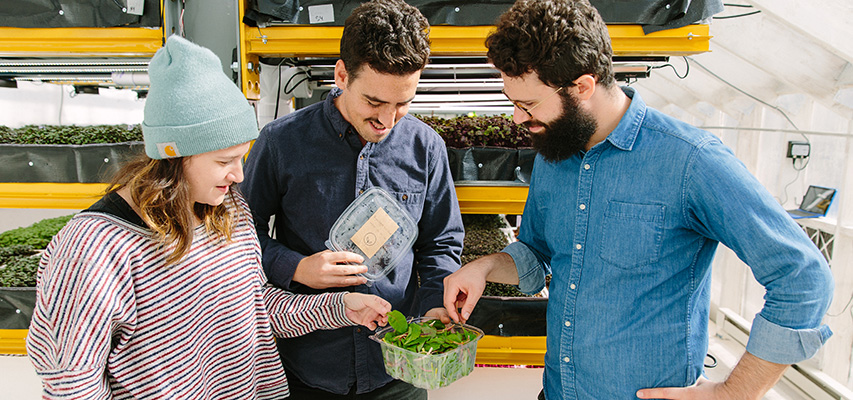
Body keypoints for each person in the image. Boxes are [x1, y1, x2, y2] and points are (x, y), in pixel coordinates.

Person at [442, 1, 835, 399]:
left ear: (582, 87)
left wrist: (733, 392)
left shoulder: (689, 160)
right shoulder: (554, 154)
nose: (516, 118)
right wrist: (485, 266)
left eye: (528, 105)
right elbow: (538, 252)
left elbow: (802, 277)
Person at [25, 35, 392, 399]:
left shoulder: (229, 210)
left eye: (241, 157)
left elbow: (254, 307)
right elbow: (72, 384)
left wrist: (341, 307)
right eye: (223, 161)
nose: (239, 175)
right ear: (172, 155)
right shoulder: (95, 248)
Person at [240, 0, 463, 398]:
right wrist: (296, 267)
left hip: (397, 366)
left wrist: (433, 306)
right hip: (309, 366)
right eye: (374, 102)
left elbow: (441, 241)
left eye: (402, 103)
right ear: (342, 75)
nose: (387, 120)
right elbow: (236, 234)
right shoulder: (281, 142)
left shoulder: (425, 147)